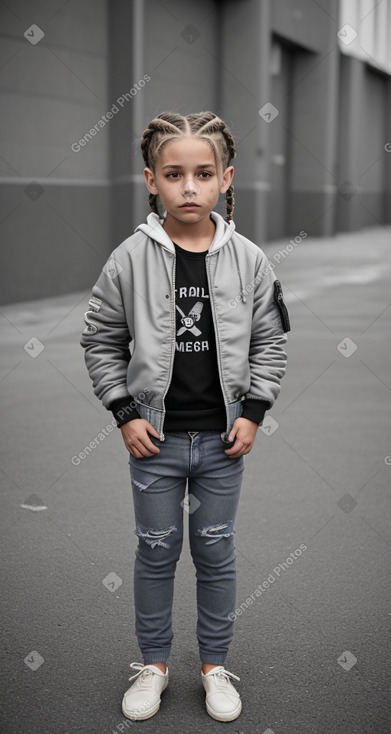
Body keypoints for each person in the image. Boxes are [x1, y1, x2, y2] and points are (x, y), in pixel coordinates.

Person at [80, 111, 290, 722]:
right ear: (151, 180)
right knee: (155, 550)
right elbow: (100, 339)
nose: (189, 188)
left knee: (217, 550)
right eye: (175, 175)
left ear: (227, 179)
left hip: (225, 440)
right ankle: (154, 664)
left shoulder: (249, 260)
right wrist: (123, 412)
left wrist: (254, 411)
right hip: (156, 440)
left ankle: (214, 667)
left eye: (203, 174)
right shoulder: (128, 259)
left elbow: (271, 340)